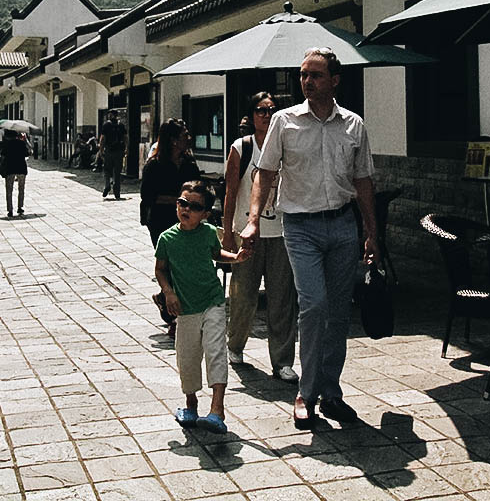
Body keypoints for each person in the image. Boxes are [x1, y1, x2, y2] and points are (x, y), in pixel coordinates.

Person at [241, 47, 379, 430]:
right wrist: (253, 221)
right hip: (300, 227)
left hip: (342, 226)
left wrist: (372, 233)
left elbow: (364, 181)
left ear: (334, 81)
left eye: (315, 75)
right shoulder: (284, 122)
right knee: (314, 305)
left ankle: (330, 393)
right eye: (303, 74)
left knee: (338, 313)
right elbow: (264, 174)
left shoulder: (354, 125)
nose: (306, 81)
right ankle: (305, 392)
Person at [155, 180, 249, 434]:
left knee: (216, 351)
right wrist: (168, 292)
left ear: (205, 214)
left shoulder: (208, 232)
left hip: (212, 302)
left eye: (194, 206)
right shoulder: (167, 238)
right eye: (182, 203)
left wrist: (236, 257)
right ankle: (191, 404)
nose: (186, 209)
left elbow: (216, 253)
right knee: (187, 359)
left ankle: (217, 410)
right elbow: (161, 269)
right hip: (185, 309)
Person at [221, 92, 298, 383]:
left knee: (282, 299)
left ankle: (282, 361)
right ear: (251, 115)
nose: (266, 115)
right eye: (260, 110)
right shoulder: (242, 148)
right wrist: (228, 233)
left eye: (271, 110)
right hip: (247, 233)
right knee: (243, 296)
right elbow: (230, 194)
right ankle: (235, 344)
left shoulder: (287, 145)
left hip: (281, 232)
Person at [140, 119, 201, 247]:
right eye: (184, 135)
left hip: (188, 221)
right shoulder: (154, 166)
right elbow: (147, 196)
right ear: (173, 141)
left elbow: (197, 186)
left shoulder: (189, 163)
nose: (189, 138)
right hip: (162, 220)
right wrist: (178, 201)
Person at [0, 130, 31, 217]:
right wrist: (25, 140)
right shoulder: (21, 143)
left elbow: (2, 155)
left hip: (10, 168)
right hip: (21, 167)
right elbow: (28, 153)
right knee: (21, 189)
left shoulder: (6, 144)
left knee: (9, 190)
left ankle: (10, 209)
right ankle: (20, 207)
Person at [99, 110, 127, 199]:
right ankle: (117, 191)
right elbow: (126, 137)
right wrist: (126, 148)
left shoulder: (106, 125)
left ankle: (107, 184)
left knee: (107, 170)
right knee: (117, 172)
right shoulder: (121, 125)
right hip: (119, 151)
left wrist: (101, 150)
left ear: (110, 115)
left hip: (109, 151)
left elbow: (103, 138)